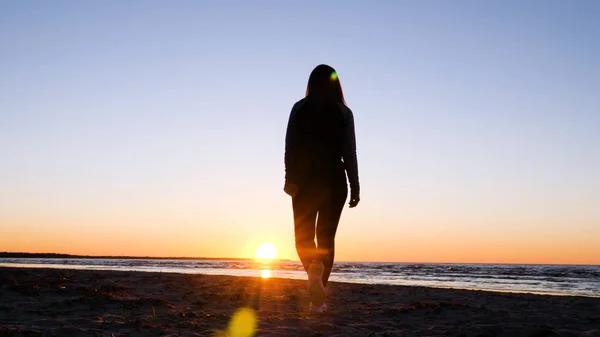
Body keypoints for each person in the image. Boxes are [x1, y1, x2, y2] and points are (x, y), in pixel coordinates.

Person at [283, 64, 360, 313]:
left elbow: (290, 146)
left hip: (304, 181)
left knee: (303, 238)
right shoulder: (344, 112)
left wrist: (289, 178)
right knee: (326, 239)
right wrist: (355, 185)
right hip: (335, 180)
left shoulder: (299, 108)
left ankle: (313, 272)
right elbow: (349, 152)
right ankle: (318, 301)